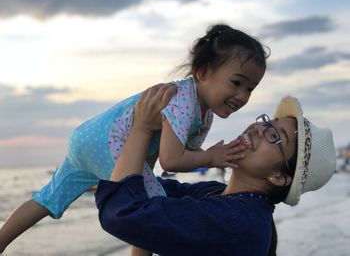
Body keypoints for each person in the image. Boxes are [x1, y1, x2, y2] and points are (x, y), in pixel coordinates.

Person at [0, 24, 268, 254]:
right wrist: (211, 157)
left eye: (250, 89)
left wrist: (210, 157)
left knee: (46, 199)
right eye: (236, 83)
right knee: (148, 209)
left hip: (86, 138)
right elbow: (172, 160)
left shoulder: (203, 113)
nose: (243, 96)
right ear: (202, 72)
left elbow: (181, 154)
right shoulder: (183, 100)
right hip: (109, 143)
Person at [95, 84, 336, 256]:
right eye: (266, 122)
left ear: (280, 177)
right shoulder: (222, 195)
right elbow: (155, 191)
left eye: (274, 136)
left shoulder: (236, 222)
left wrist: (142, 129)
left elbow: (122, 214)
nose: (258, 129)